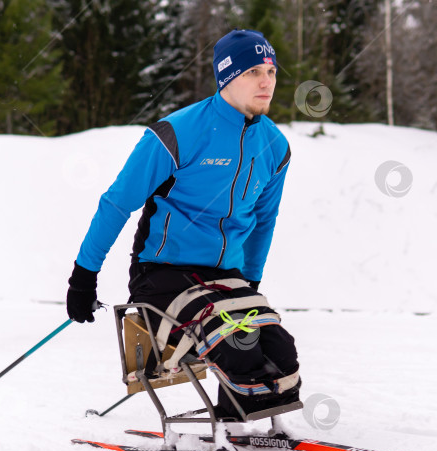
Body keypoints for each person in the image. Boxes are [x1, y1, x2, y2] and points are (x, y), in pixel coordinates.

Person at [65, 29, 300, 419]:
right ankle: (233, 421)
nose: (266, 82)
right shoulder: (177, 133)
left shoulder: (275, 145)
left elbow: (264, 220)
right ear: (227, 77)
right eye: (253, 72)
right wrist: (83, 276)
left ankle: (243, 416)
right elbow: (116, 204)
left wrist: (250, 285)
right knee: (238, 345)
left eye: (272, 72)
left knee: (281, 353)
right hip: (162, 274)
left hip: (226, 277)